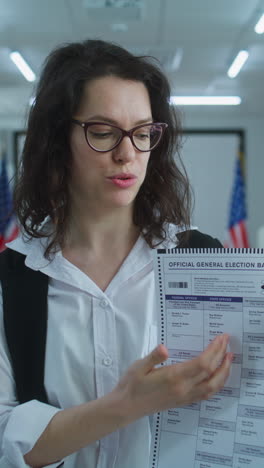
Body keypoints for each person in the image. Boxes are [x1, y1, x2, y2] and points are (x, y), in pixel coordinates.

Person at [0, 39, 232, 468]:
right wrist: (127, 404)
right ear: (56, 140)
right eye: (103, 132)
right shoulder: (11, 278)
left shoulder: (202, 259)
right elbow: (5, 439)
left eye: (143, 134)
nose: (128, 153)